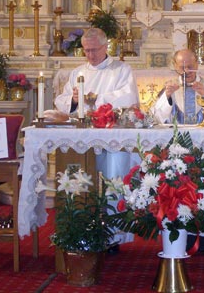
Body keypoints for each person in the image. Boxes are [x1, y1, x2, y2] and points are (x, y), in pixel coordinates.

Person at [55, 27, 139, 245]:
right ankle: (81, 229)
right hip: (83, 139)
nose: (90, 55)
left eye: (94, 50)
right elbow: (62, 101)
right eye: (86, 50)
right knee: (82, 178)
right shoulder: (78, 73)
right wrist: (75, 101)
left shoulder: (120, 69)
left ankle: (114, 236)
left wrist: (92, 98)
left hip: (112, 137)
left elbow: (128, 97)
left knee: (113, 179)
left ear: (105, 47)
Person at [151, 49, 204, 255]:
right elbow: (157, 117)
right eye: (182, 67)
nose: (186, 70)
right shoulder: (170, 86)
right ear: (175, 66)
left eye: (190, 66)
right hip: (177, 150)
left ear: (197, 64)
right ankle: (180, 239)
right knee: (179, 193)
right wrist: (168, 97)